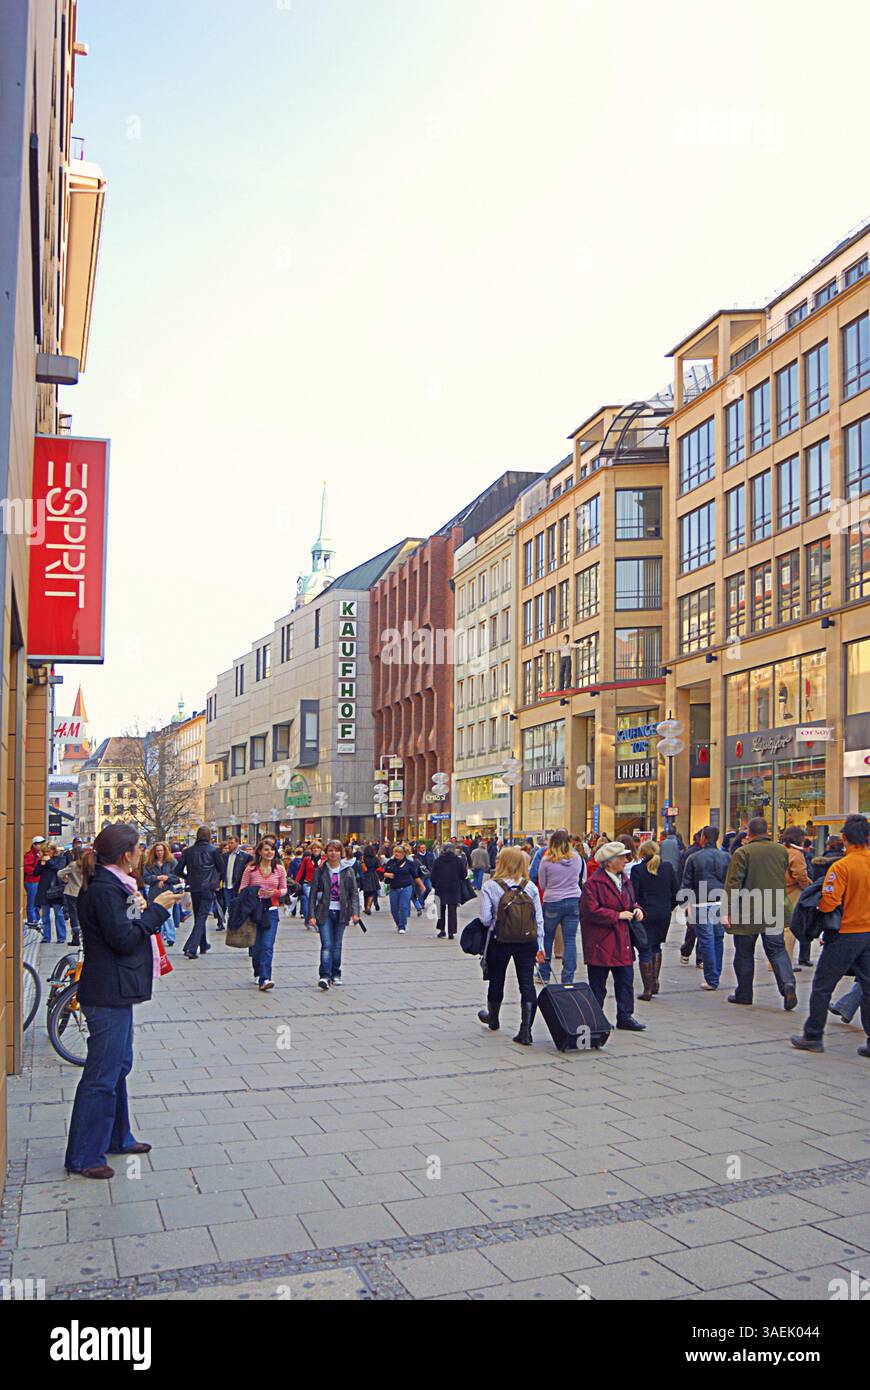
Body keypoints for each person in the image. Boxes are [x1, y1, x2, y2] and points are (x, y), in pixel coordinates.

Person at [64, 824, 183, 1179]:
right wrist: (157, 910)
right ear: (125, 854)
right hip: (106, 992)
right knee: (102, 1074)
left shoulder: (114, 884)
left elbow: (122, 926)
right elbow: (123, 938)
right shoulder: (104, 888)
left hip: (116, 990)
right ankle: (84, 1156)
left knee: (118, 1067)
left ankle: (118, 1136)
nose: (142, 854)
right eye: (138, 848)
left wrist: (142, 905)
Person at [792, 814, 870, 1055]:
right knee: (868, 987)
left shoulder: (842, 867)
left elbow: (828, 903)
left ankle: (813, 1035)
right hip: (868, 933)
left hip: (845, 933)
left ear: (844, 838)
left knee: (823, 986)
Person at [723, 816, 796, 1010]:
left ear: (749, 833)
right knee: (777, 949)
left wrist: (727, 910)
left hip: (748, 910)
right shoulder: (781, 851)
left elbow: (733, 884)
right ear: (767, 832)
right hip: (775, 907)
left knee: (744, 952)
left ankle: (744, 993)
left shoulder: (742, 852)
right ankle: (788, 985)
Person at [477, 846, 545, 1045]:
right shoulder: (530, 887)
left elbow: (485, 918)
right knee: (526, 983)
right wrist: (540, 945)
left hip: (501, 940)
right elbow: (538, 919)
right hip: (527, 941)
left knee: (496, 979)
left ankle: (494, 1018)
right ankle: (526, 1031)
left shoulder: (491, 886)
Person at [580, 842, 646, 1031]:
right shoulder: (594, 884)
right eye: (622, 857)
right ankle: (596, 1018)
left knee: (625, 980)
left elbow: (631, 901)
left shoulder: (625, 879)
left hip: (622, 939)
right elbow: (590, 911)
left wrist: (637, 909)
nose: (626, 860)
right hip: (601, 941)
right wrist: (616, 915)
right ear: (609, 862)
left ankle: (625, 1015)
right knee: (598, 985)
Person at [680, 826, 730, 991]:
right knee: (717, 938)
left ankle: (712, 978)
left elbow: (687, 882)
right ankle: (716, 973)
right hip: (720, 901)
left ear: (703, 837)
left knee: (706, 940)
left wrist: (686, 904)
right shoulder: (726, 857)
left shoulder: (694, 858)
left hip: (701, 902)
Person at [308, 839, 361, 989]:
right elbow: (312, 894)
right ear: (326, 852)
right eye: (330, 850)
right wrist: (311, 915)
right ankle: (324, 976)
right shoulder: (321, 870)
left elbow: (354, 893)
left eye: (336, 850)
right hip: (324, 911)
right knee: (327, 944)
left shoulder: (348, 870)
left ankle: (335, 973)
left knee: (337, 945)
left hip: (342, 912)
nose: (333, 853)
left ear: (341, 853)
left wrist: (355, 913)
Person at [537, 829, 584, 986]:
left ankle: (544, 973)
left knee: (547, 938)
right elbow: (581, 879)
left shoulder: (547, 860)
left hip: (552, 901)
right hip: (573, 900)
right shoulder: (577, 859)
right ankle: (568, 977)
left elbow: (542, 884)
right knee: (570, 939)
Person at [633, 840, 678, 1000]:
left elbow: (634, 895)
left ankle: (647, 989)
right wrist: (668, 907)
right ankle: (655, 982)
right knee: (657, 946)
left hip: (645, 913)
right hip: (663, 912)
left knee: (645, 948)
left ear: (642, 853)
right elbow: (676, 891)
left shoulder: (637, 870)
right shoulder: (667, 868)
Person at [240, 839, 287, 990]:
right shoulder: (251, 869)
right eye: (266, 850)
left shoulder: (279, 869)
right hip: (255, 910)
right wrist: (255, 892)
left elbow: (284, 889)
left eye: (272, 850)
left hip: (271, 910)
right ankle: (258, 971)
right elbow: (242, 889)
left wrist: (276, 892)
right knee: (256, 946)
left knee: (267, 946)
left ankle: (265, 979)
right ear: (259, 852)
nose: (269, 853)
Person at [176, 826, 224, 959]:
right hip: (208, 887)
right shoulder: (213, 851)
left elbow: (178, 870)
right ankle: (191, 948)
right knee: (202, 917)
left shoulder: (188, 852)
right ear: (209, 836)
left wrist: (188, 877)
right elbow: (221, 868)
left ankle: (203, 944)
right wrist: (218, 881)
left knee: (199, 917)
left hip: (194, 887)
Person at [142, 842, 179, 946]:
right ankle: (159, 937)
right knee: (156, 916)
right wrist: (157, 878)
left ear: (165, 851)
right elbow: (145, 878)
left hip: (168, 892)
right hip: (154, 893)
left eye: (161, 850)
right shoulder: (149, 864)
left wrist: (167, 878)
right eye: (157, 850)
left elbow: (177, 877)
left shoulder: (172, 862)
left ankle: (170, 937)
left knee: (169, 916)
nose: (159, 853)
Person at [383, 843, 425, 934]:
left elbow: (415, 876)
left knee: (403, 906)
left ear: (403, 854)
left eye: (399, 852)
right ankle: (398, 924)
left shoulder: (409, 863)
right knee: (394, 909)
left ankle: (402, 926)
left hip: (406, 887)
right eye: (396, 852)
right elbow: (384, 873)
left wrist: (422, 885)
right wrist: (388, 874)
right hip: (394, 888)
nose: (397, 854)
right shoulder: (391, 862)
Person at [429, 842, 465, 939]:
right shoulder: (457, 860)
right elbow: (464, 874)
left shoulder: (438, 860)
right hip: (454, 887)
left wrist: (435, 885)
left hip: (441, 888)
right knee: (452, 910)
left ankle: (442, 930)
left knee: (440, 910)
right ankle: (451, 932)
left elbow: (433, 875)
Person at [36, 841, 67, 943]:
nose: (46, 854)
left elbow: (59, 869)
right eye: (45, 852)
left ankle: (61, 937)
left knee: (58, 914)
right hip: (44, 890)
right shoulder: (42, 860)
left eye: (48, 851)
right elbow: (35, 873)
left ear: (53, 850)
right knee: (45, 915)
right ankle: (46, 937)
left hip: (55, 890)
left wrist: (49, 862)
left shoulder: (61, 858)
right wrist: (41, 864)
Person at [57, 842, 87, 946]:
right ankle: (84, 936)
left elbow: (60, 873)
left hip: (72, 892)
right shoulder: (86, 864)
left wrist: (66, 879)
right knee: (83, 914)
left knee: (73, 916)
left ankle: (75, 938)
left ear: (73, 855)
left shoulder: (73, 865)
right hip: (84, 892)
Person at [222, 835, 252, 928]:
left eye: (232, 843)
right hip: (227, 885)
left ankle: (238, 924)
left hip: (238, 886)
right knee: (230, 907)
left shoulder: (245, 856)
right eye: (229, 843)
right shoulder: (225, 856)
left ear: (237, 843)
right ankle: (232, 924)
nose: (230, 845)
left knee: (238, 906)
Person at [23, 835, 45, 927]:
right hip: (31, 881)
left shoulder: (38, 854)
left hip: (36, 880)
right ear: (35, 845)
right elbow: (26, 867)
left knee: (36, 902)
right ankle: (32, 920)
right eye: (40, 844)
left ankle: (36, 919)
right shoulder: (30, 855)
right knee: (32, 902)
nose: (42, 845)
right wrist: (35, 872)